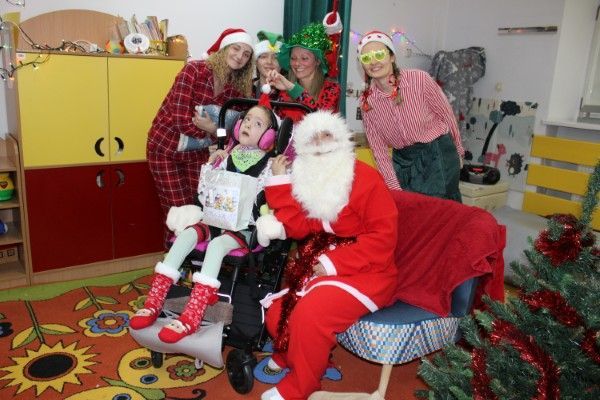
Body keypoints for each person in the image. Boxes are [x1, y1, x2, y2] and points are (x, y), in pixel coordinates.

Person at [254, 111, 399, 400]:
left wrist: (333, 263)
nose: (321, 145)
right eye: (313, 139)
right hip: (320, 264)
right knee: (277, 313)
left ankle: (301, 386)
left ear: (341, 140)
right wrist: (280, 182)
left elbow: (383, 238)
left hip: (368, 273)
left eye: (327, 136)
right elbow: (299, 226)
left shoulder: (366, 179)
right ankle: (298, 358)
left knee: (310, 314)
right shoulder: (310, 181)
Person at [131, 103, 281, 344]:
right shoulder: (227, 156)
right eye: (247, 120)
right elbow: (204, 194)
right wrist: (212, 166)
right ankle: (154, 301)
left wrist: (277, 176)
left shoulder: (269, 166)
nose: (249, 125)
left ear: (268, 137)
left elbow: (271, 200)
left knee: (217, 245)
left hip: (244, 227)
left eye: (258, 123)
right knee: (186, 235)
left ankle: (194, 313)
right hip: (214, 218)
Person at [147, 28, 254, 231]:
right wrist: (214, 133)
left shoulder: (236, 90)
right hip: (165, 150)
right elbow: (180, 120)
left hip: (197, 153)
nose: (240, 56)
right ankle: (175, 252)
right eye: (236, 48)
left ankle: (194, 251)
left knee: (201, 208)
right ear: (224, 49)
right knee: (179, 212)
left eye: (246, 54)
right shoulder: (194, 70)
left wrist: (212, 129)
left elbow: (232, 133)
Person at [357, 31, 464, 201]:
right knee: (409, 208)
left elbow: (446, 115)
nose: (373, 62)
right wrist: (392, 185)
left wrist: (458, 150)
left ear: (392, 57)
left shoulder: (419, 79)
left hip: (436, 153)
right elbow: (378, 150)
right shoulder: (368, 102)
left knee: (438, 209)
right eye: (366, 58)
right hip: (403, 160)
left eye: (379, 54)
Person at [266, 23, 341, 122]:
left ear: (318, 61)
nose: (297, 63)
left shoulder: (331, 89)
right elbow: (271, 120)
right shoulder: (283, 91)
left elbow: (320, 121)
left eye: (304, 58)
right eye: (293, 58)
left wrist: (292, 88)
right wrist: (271, 91)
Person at [254, 30, 283, 99]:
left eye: (275, 57)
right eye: (264, 56)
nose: (269, 62)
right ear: (256, 62)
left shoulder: (290, 92)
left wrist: (290, 88)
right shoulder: (246, 90)